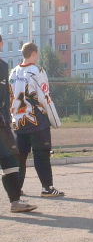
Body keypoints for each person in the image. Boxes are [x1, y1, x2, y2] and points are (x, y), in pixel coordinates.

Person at [9, 42, 64, 197]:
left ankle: (16, 189)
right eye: (37, 53)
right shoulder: (37, 70)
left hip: (18, 120)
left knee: (20, 157)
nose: (38, 55)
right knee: (41, 154)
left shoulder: (13, 72)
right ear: (33, 53)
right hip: (37, 120)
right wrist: (52, 116)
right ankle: (47, 188)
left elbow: (11, 95)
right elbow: (44, 95)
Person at [0, 35, 37, 212]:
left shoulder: (3, 66)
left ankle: (15, 202)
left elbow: (6, 97)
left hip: (3, 125)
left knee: (11, 159)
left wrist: (9, 118)